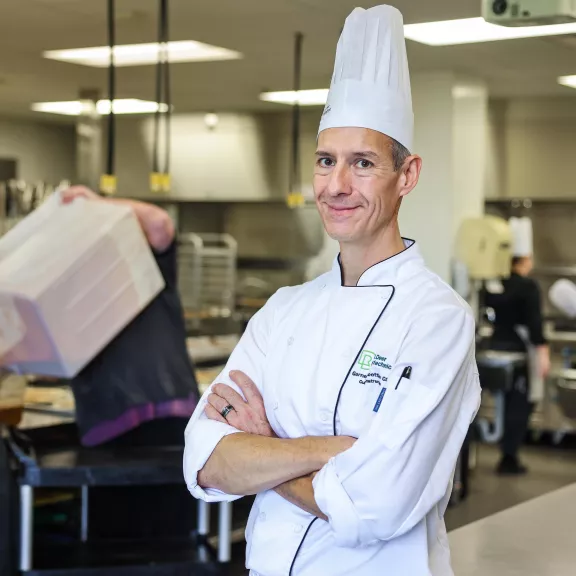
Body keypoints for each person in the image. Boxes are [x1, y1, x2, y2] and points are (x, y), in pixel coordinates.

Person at [184, 6, 480, 576]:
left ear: (408, 176)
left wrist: (264, 446)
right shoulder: (283, 310)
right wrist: (333, 453)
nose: (337, 185)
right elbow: (205, 462)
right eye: (326, 161)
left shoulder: (437, 318)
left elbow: (377, 504)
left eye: (363, 163)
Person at [60, 186, 200, 447]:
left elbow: (159, 223)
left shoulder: (148, 268)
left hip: (169, 415)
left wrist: (94, 205)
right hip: (106, 426)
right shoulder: (71, 287)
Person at [484, 216, 550, 475]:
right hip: (519, 352)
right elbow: (535, 324)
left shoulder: (491, 282)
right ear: (526, 258)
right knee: (519, 404)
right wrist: (543, 355)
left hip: (493, 346)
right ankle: (509, 457)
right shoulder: (528, 286)